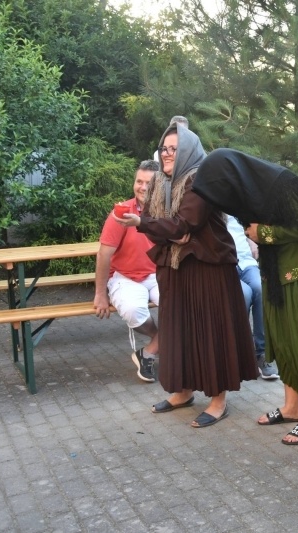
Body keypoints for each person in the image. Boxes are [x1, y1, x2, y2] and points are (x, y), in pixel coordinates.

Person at [192, 148, 298, 444]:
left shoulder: (283, 184)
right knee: (284, 339)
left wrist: (266, 234)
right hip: (279, 271)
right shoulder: (249, 195)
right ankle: (291, 408)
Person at [116, 124, 258, 428]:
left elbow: (182, 225)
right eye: (164, 148)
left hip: (209, 269)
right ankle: (183, 391)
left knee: (210, 332)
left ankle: (218, 400)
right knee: (179, 330)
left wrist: (149, 224)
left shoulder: (201, 181)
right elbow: (171, 230)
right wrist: (170, 231)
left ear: (189, 151)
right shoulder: (162, 184)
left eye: (174, 148)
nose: (167, 154)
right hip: (177, 268)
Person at [94, 160, 160, 383]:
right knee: (133, 310)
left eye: (148, 183)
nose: (141, 187)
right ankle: (166, 341)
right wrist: (100, 294)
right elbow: (104, 254)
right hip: (125, 276)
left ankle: (149, 352)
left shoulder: (167, 210)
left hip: (158, 275)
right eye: (138, 181)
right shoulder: (121, 212)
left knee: (183, 304)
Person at [225, 216, 277, 380]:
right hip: (225, 263)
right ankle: (242, 353)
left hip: (246, 261)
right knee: (244, 293)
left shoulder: (237, 205)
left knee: (261, 288)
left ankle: (261, 353)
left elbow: (251, 226)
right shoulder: (211, 202)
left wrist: (251, 240)